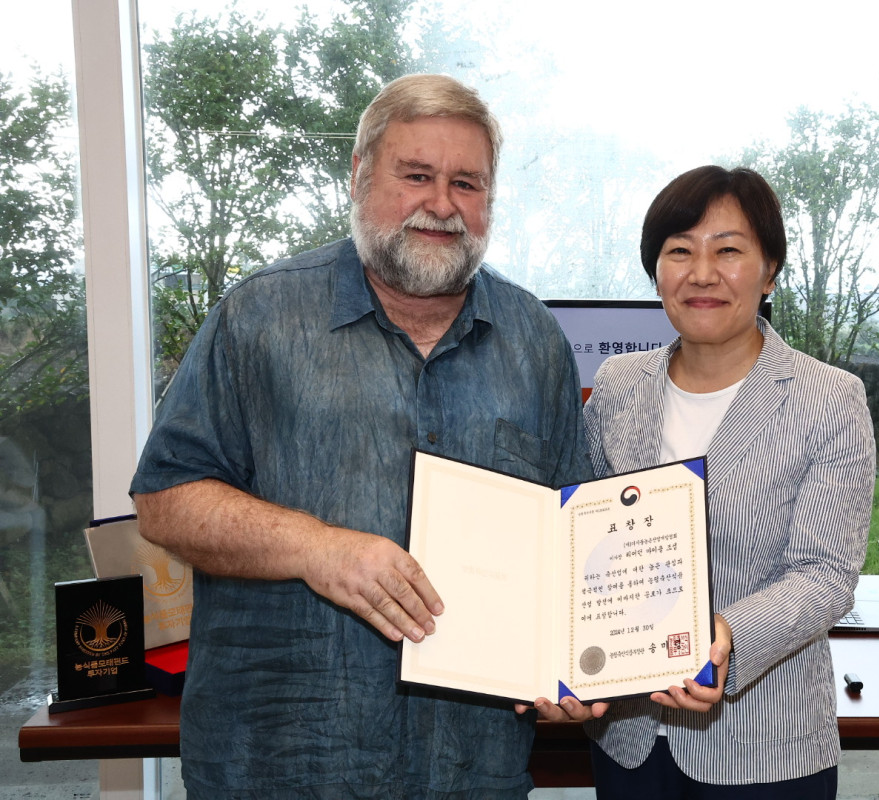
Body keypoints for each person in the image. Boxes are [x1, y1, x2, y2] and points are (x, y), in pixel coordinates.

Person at [130, 74, 591, 799]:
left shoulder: (534, 341)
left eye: (467, 183)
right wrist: (316, 548)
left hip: (469, 770)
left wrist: (573, 658)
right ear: (359, 174)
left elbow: (576, 536)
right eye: (417, 175)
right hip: (278, 764)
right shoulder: (258, 316)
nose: (442, 205)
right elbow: (165, 499)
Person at [579, 165, 876, 799]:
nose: (703, 272)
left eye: (730, 250)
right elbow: (581, 543)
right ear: (656, 270)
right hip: (629, 740)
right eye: (679, 251)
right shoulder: (617, 387)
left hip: (764, 748)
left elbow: (825, 575)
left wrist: (727, 636)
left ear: (770, 271)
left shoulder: (829, 399)